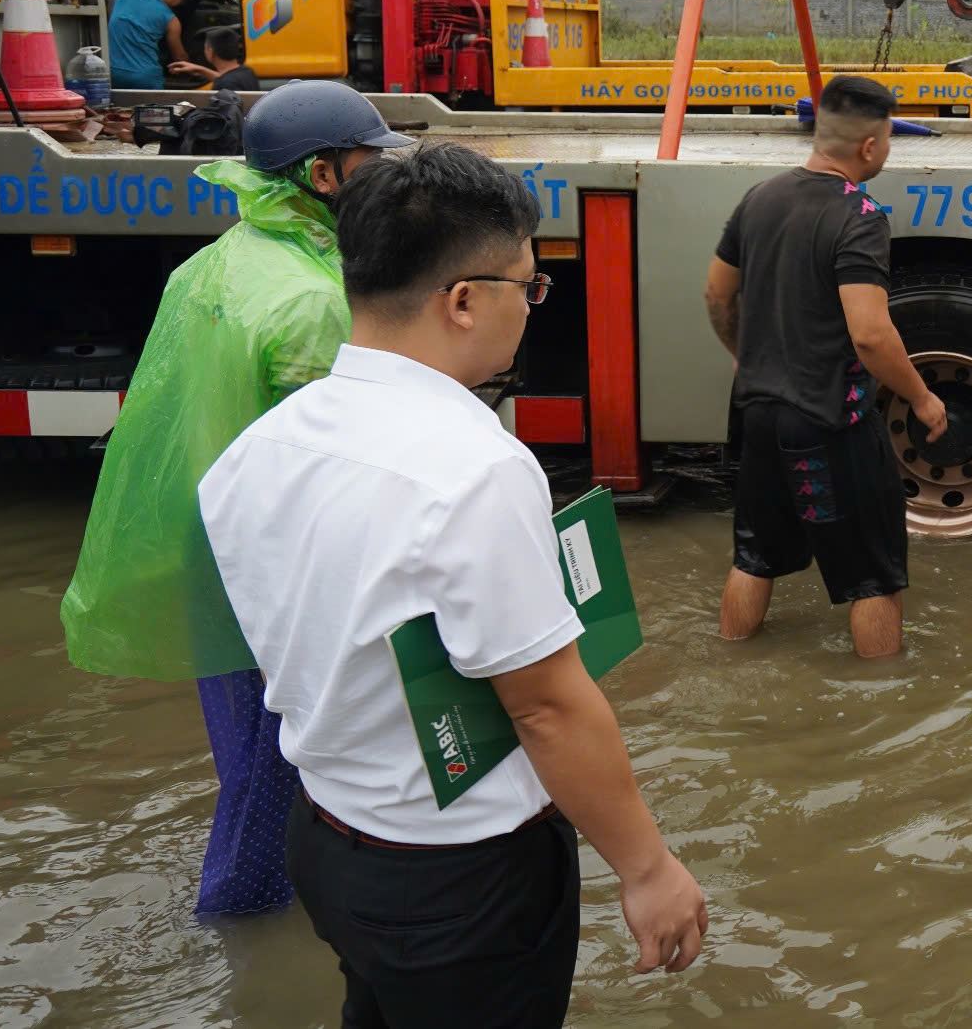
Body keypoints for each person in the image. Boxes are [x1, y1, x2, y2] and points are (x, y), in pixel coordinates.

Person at [201, 144, 708, 1026]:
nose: (533, 306)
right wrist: (648, 868)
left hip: (326, 839)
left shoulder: (256, 449)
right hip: (461, 878)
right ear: (464, 300)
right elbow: (546, 706)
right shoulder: (477, 467)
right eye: (529, 285)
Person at [59, 82, 411, 916]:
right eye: (370, 162)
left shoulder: (215, 262)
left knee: (246, 761)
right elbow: (329, 479)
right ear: (324, 175)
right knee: (276, 784)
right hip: (275, 582)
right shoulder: (314, 301)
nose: (385, 178)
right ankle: (238, 942)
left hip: (209, 549)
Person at [703, 74, 947, 659]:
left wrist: (742, 355)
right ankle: (882, 699)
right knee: (874, 578)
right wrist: (921, 397)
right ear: (870, 146)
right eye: (888, 141)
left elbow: (717, 294)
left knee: (753, 557)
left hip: (759, 414)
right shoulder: (859, 215)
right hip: (830, 422)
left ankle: (730, 661)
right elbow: (870, 335)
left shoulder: (760, 197)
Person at [108, 0, 195, 90]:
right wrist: (195, 72)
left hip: (113, 73)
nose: (181, 2)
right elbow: (179, 57)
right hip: (145, 78)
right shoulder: (171, 19)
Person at [171, 25, 258, 91]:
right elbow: (226, 78)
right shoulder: (247, 71)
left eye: (205, 47)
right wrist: (200, 70)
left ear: (211, 51)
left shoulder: (225, 85)